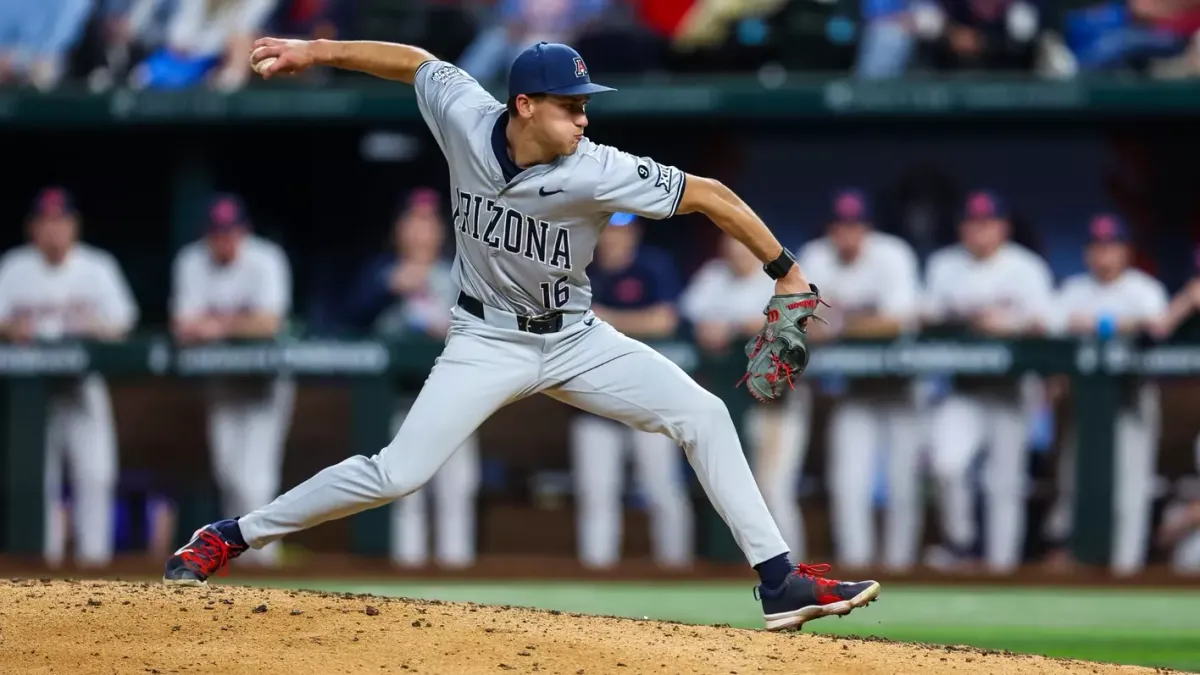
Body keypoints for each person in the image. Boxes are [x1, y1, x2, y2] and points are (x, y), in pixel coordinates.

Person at [165, 37, 880, 631]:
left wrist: (785, 273)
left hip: (576, 337)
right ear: (525, 106)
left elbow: (712, 196)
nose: (584, 120)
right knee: (398, 473)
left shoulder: (598, 169)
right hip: (486, 340)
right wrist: (314, 50)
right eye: (572, 108)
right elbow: (414, 61)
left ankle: (779, 580)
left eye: (587, 107)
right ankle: (231, 535)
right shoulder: (466, 117)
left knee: (705, 414)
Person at [0, 187, 138, 568]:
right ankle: (41, 573)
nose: (53, 229)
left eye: (60, 220)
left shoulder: (97, 266)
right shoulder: (14, 267)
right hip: (32, 394)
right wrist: (11, 328)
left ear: (74, 226)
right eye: (45, 221)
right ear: (33, 228)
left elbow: (124, 322)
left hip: (83, 385)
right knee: (36, 481)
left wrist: (98, 327)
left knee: (96, 475)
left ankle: (96, 569)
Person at [346, 188, 481, 569]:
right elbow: (348, 320)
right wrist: (387, 289)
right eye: (414, 220)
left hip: (455, 402)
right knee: (405, 494)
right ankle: (408, 592)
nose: (421, 230)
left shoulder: (462, 271)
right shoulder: (380, 272)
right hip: (397, 403)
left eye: (429, 220)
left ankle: (459, 591)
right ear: (400, 228)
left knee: (457, 494)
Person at [923, 190, 1055, 574]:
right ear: (962, 227)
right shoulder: (944, 265)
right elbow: (923, 314)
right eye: (972, 223)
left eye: (988, 223)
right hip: (964, 388)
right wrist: (965, 316)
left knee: (1005, 486)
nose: (980, 231)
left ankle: (1002, 569)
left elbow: (1048, 323)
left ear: (1003, 227)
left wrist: (1008, 324)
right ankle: (961, 542)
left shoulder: (1026, 267)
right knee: (946, 464)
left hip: (1011, 389)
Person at [797, 189, 924, 571]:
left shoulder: (892, 254)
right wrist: (841, 324)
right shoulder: (816, 255)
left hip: (902, 387)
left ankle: (901, 570)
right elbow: (799, 319)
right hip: (852, 390)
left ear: (867, 227)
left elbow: (896, 321)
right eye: (840, 225)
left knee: (903, 486)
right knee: (848, 483)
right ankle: (856, 567)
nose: (847, 233)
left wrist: (837, 323)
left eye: (855, 225)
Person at [170, 194, 294, 567]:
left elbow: (269, 322)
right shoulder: (191, 260)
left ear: (244, 231)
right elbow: (182, 326)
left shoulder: (266, 258)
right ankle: (238, 567)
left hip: (265, 380)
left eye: (231, 232)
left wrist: (216, 325)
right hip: (222, 380)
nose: (224, 240)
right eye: (217, 233)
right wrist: (237, 324)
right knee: (228, 474)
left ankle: (267, 566)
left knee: (255, 480)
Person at [1042, 214, 1168, 576]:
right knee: (1076, 481)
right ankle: (1084, 564)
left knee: (1132, 484)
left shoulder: (1143, 288)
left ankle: (1126, 569)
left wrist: (1102, 323)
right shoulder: (1073, 289)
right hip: (1086, 403)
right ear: (1087, 253)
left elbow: (1157, 324)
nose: (1103, 254)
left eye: (1111, 246)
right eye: (1096, 246)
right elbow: (1048, 329)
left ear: (1125, 250)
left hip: (1132, 397)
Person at [571, 212, 693, 570]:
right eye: (608, 228)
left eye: (622, 230)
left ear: (634, 233)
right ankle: (597, 576)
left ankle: (677, 572)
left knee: (662, 491)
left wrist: (605, 319)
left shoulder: (652, 267)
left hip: (648, 400)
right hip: (592, 402)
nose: (615, 237)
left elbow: (665, 319)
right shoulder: (582, 269)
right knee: (596, 495)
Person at [680, 233, 812, 560]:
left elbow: (796, 319)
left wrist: (736, 326)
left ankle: (794, 569)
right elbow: (686, 315)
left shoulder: (782, 277)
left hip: (779, 400)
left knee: (774, 491)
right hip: (740, 399)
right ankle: (758, 568)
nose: (737, 253)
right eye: (731, 246)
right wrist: (711, 329)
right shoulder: (713, 276)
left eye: (744, 246)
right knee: (745, 491)